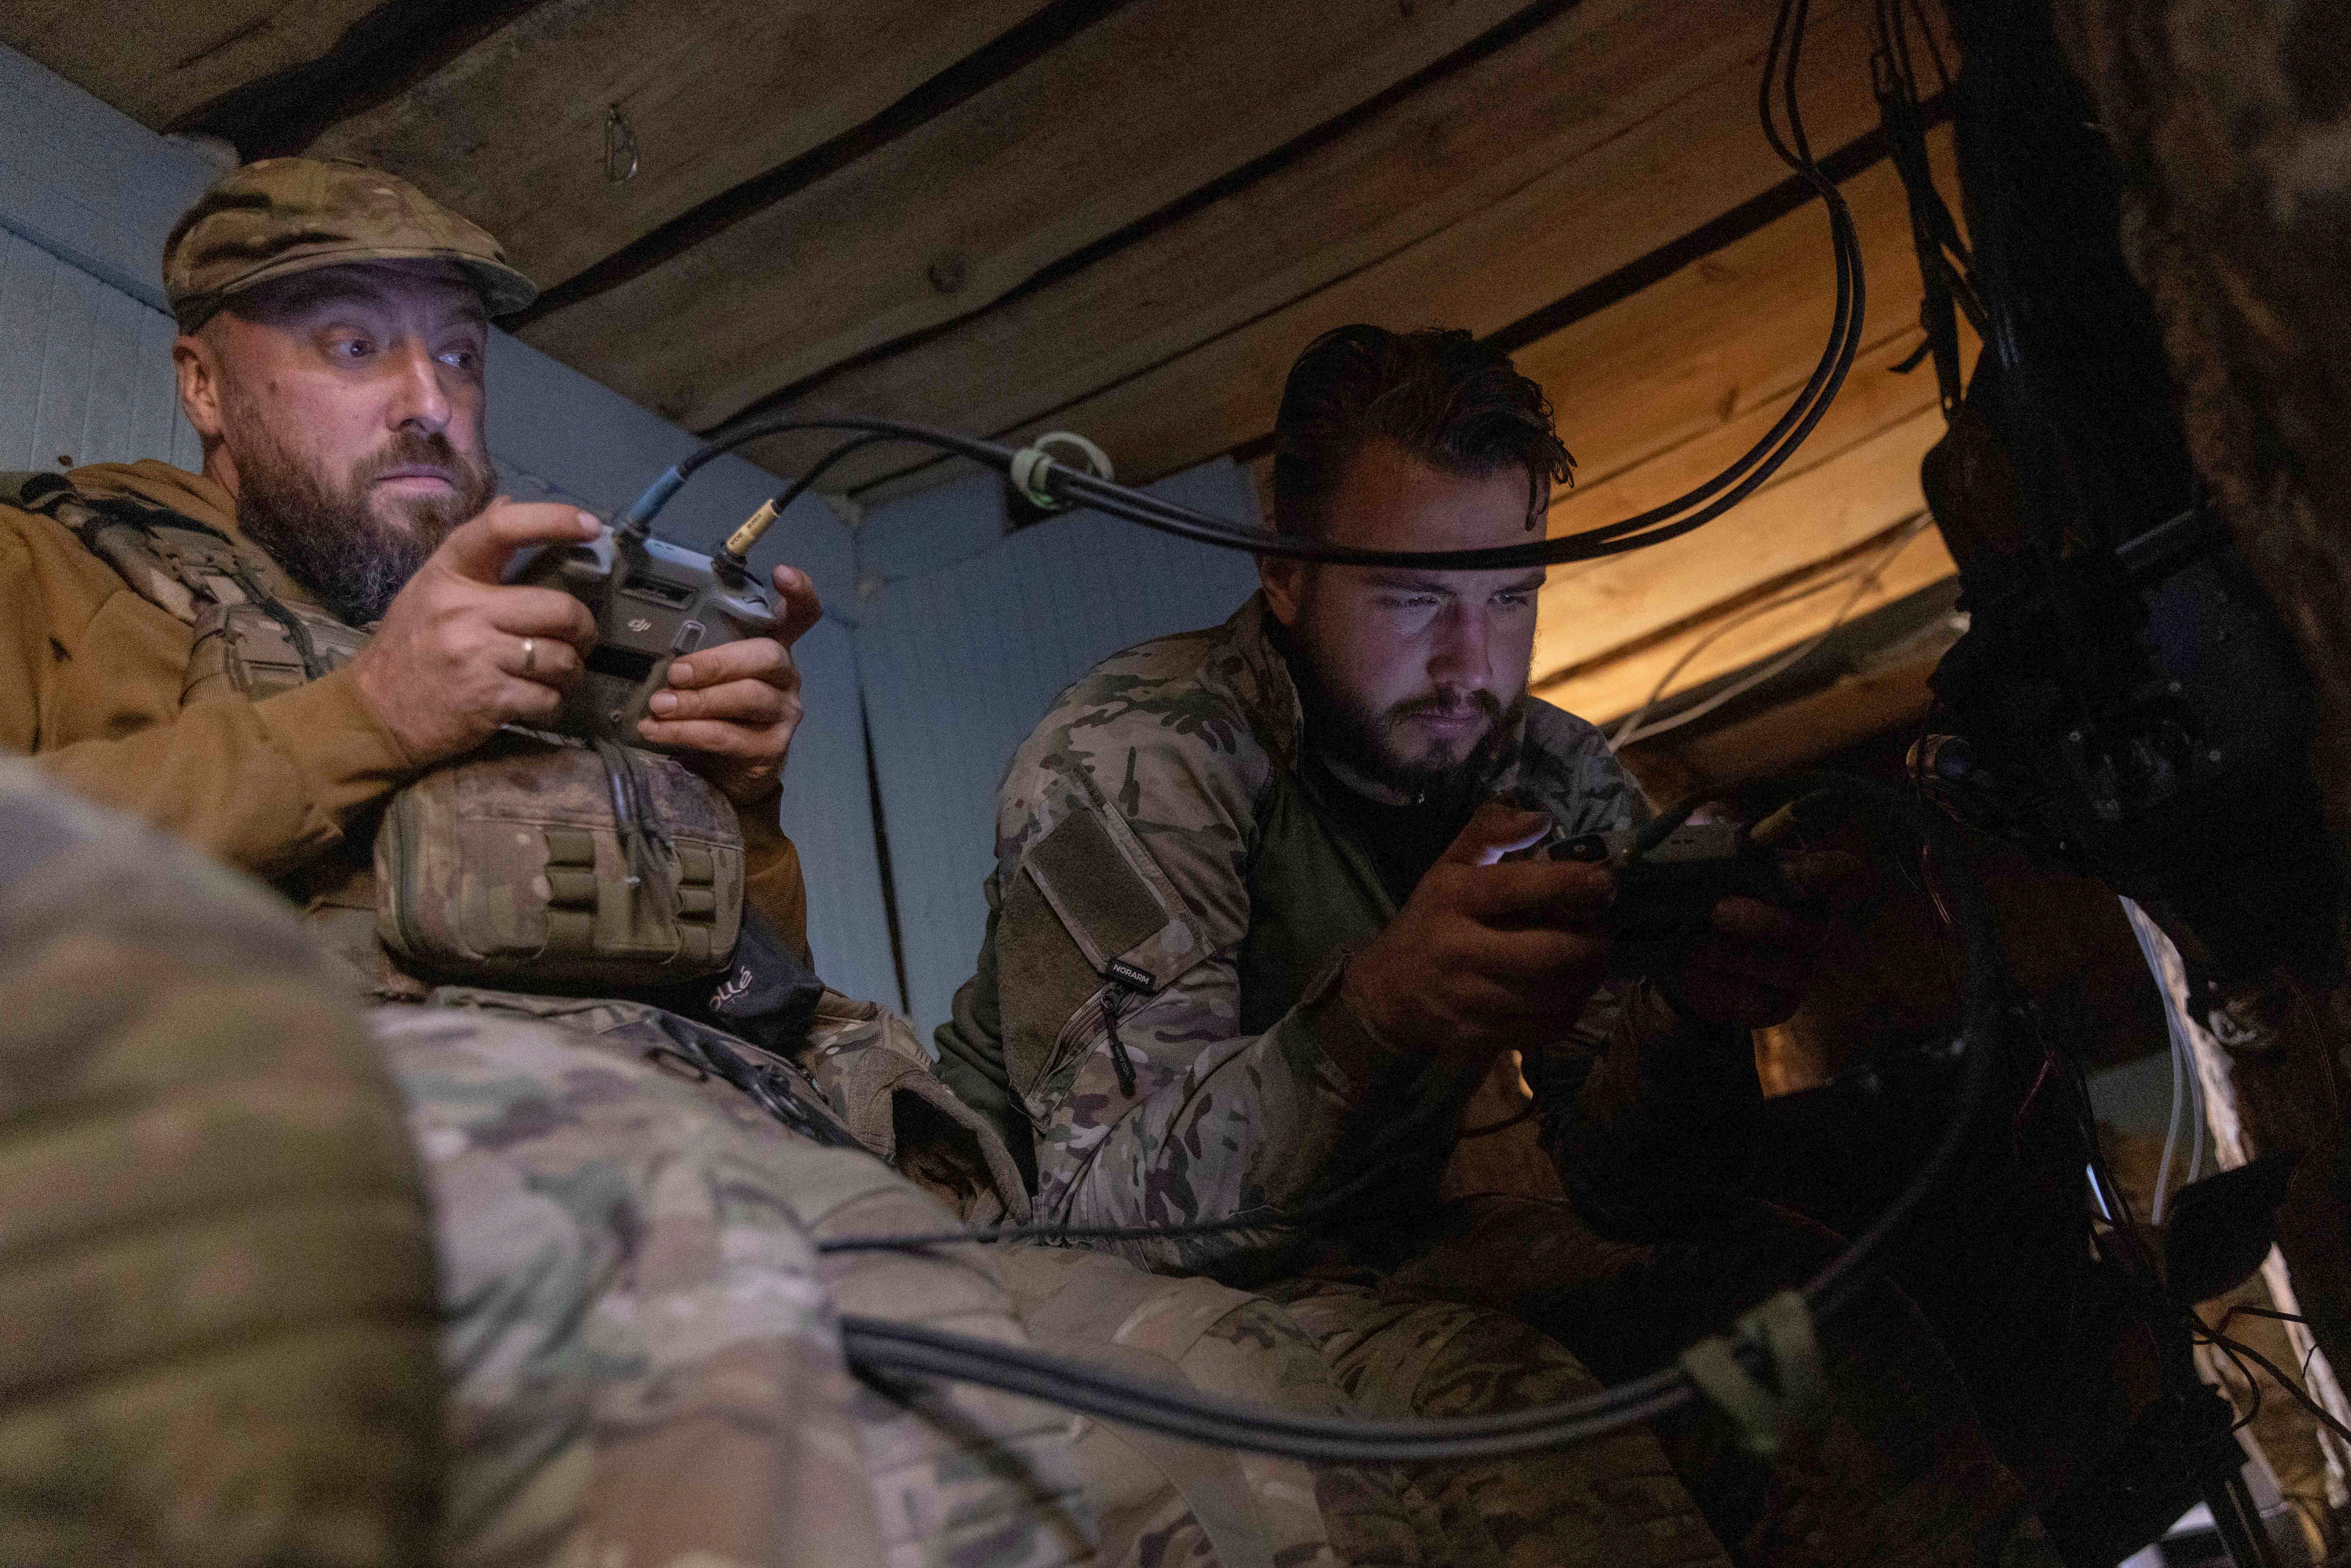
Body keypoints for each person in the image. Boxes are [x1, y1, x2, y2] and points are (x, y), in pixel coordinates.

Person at [934, 324, 2062, 1565]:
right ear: (1285, 575)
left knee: (1797, 1320)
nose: (1474, 666)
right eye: (1414, 599)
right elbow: (1107, 1215)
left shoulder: (1554, 777)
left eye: (1511, 596)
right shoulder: (1135, 759)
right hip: (1068, 1299)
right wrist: (1374, 1014)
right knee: (1514, 1417)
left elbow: (1639, 1194)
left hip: (1376, 1257)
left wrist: (1693, 1020)